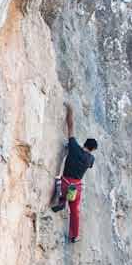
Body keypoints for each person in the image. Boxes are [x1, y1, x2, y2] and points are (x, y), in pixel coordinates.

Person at [51, 104, 98, 242]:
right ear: (93, 149)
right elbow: (89, 164)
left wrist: (70, 110)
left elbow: (70, 126)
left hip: (64, 184)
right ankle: (75, 235)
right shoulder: (91, 159)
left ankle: (61, 201)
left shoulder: (74, 147)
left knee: (62, 185)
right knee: (75, 211)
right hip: (75, 188)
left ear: (84, 143)